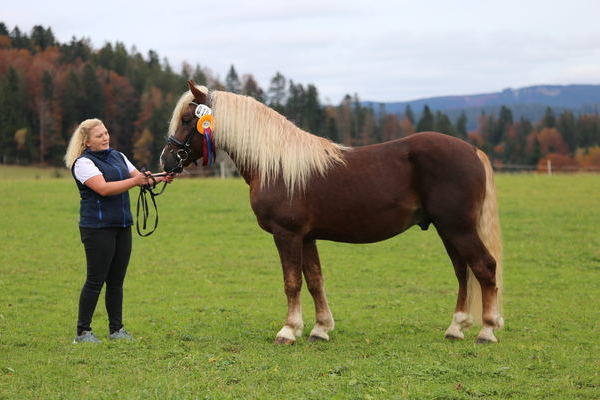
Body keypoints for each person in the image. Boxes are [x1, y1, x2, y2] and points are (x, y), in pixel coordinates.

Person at [64, 118, 173, 343]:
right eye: (99, 135)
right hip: (97, 228)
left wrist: (162, 177)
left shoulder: (118, 156)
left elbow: (138, 179)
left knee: (116, 281)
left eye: (106, 133)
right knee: (95, 280)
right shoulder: (82, 163)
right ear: (86, 142)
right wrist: (136, 182)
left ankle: (116, 330)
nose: (105, 137)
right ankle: (83, 332)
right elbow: (103, 188)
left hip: (122, 225)